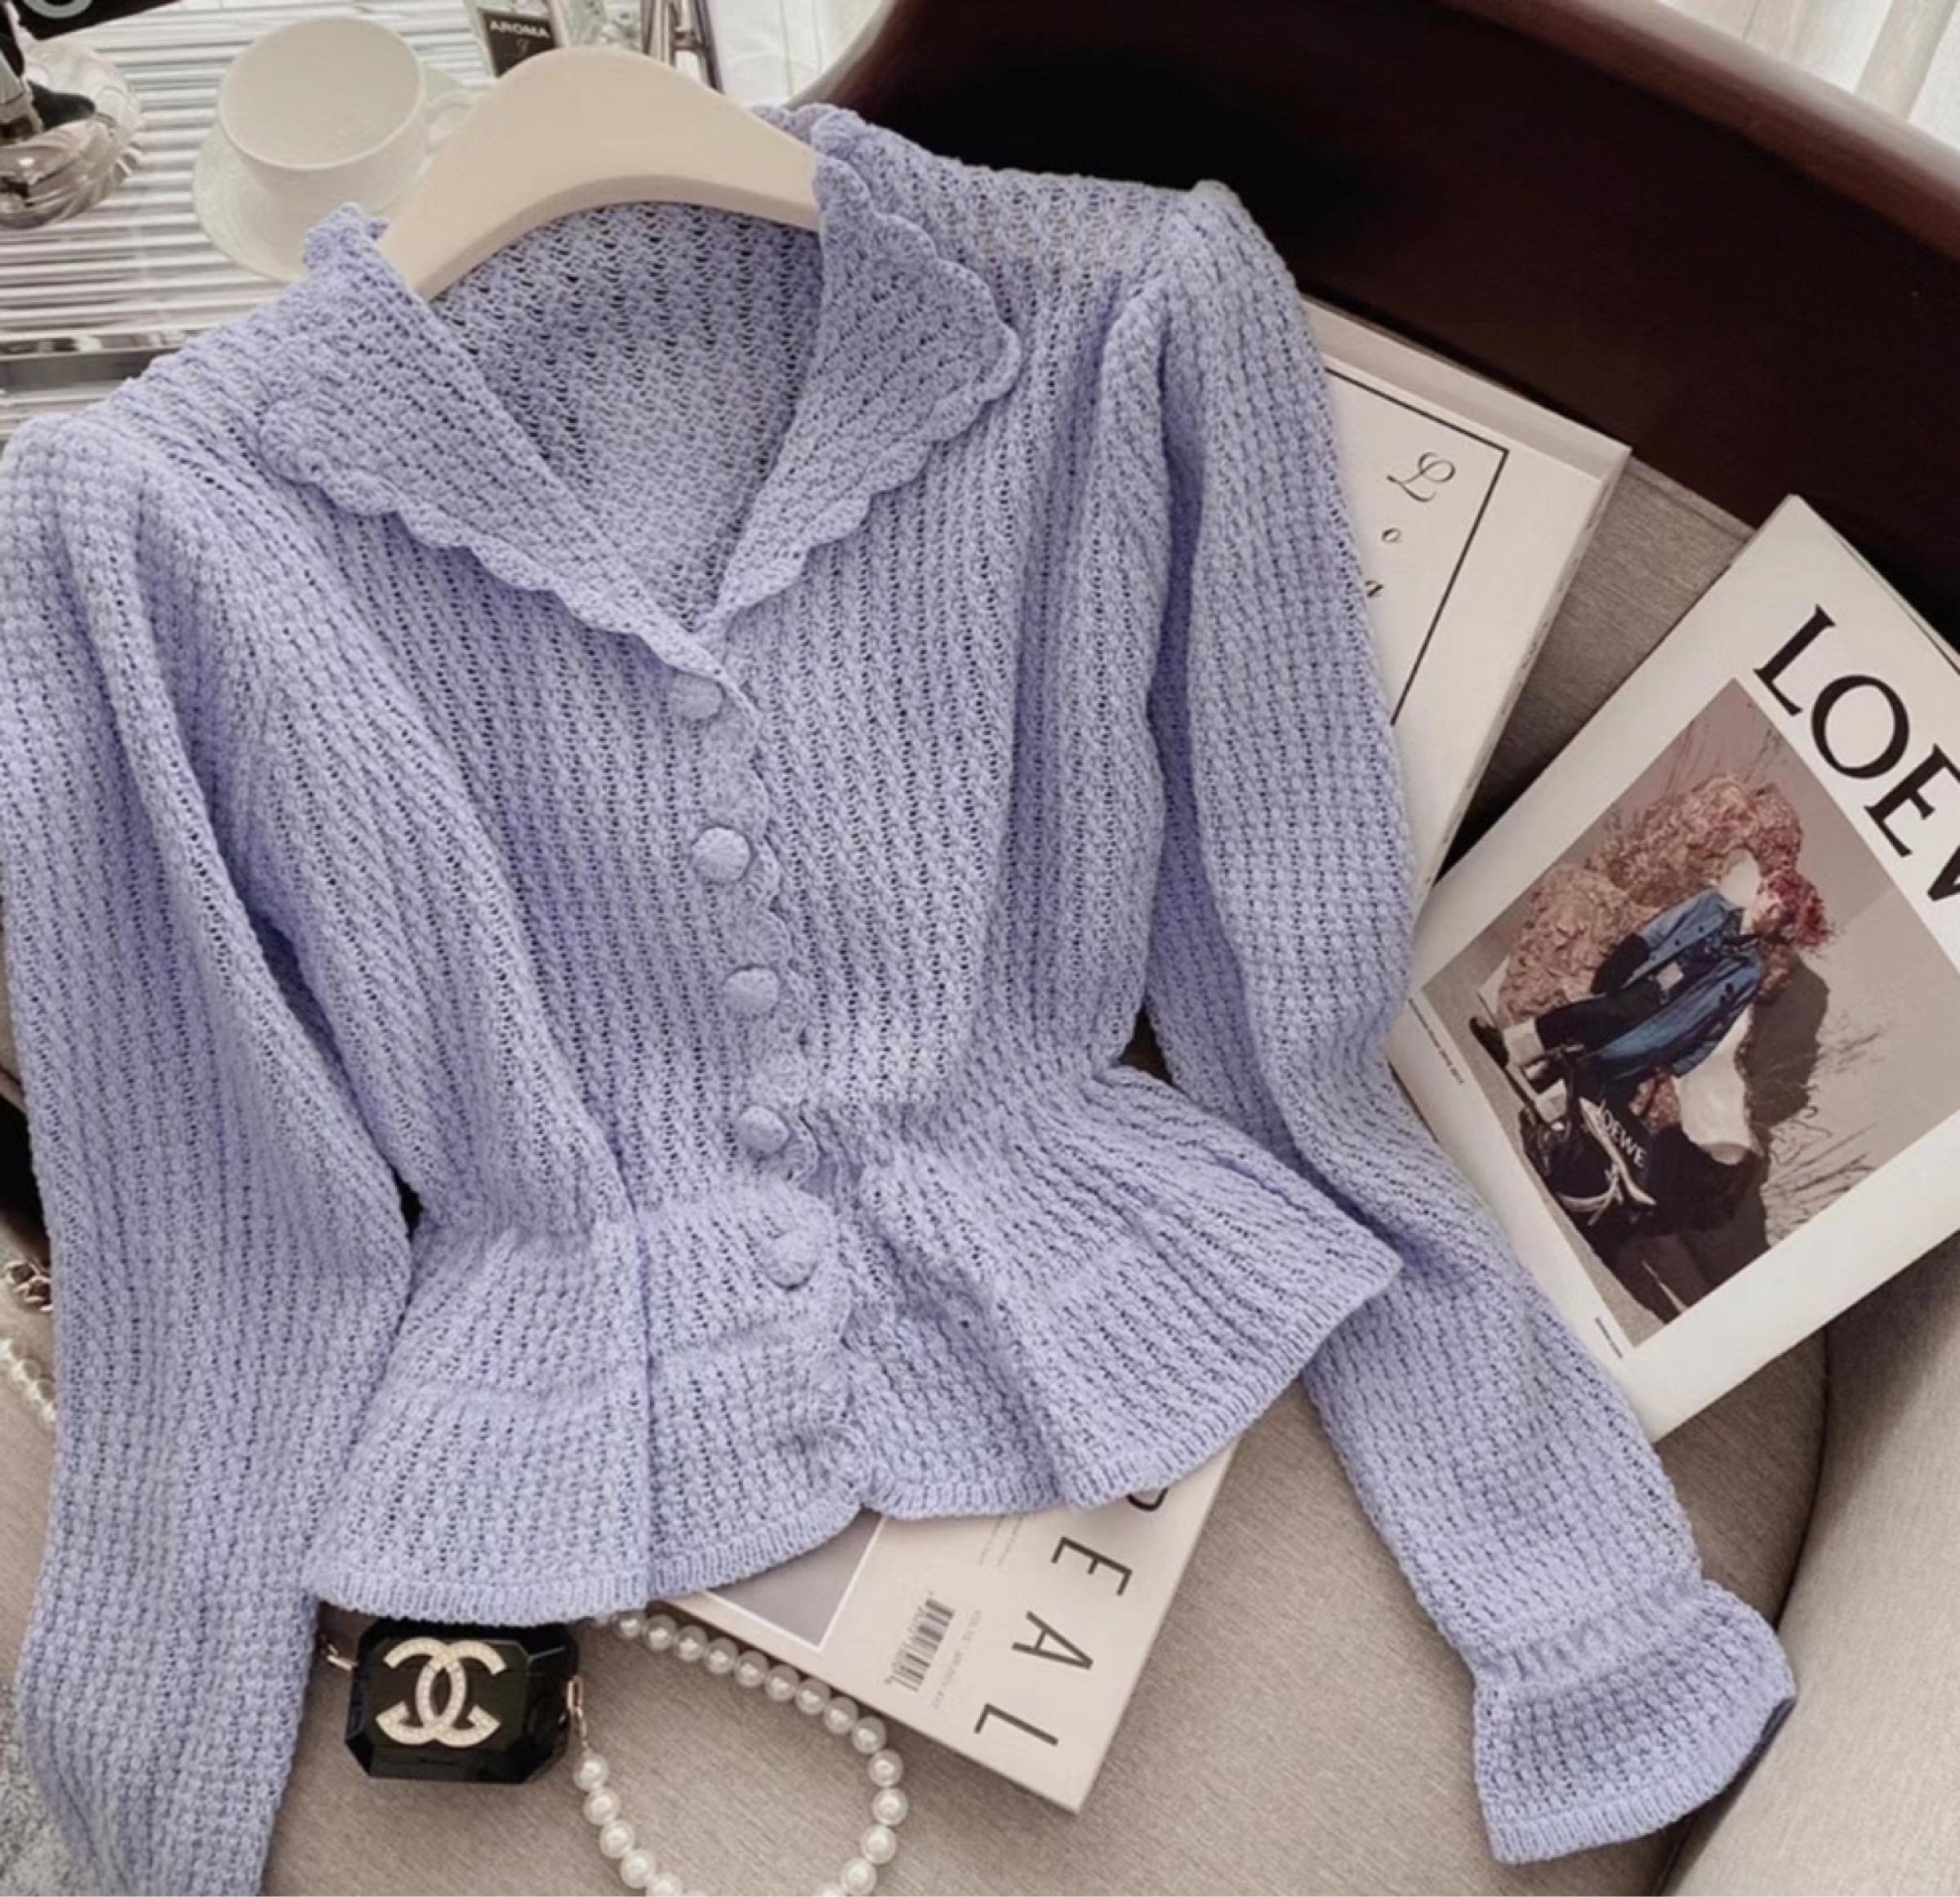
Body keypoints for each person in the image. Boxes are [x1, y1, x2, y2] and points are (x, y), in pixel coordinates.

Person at [1472, 855, 1811, 1202]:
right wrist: (1626, 956)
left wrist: (1682, 1063)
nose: (1769, 910)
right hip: (1644, 985)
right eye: (1771, 897)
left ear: (1779, 925)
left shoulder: (1750, 971)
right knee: (1579, 1017)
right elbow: (1662, 928)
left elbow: (1720, 1022)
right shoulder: (1711, 906)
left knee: (1604, 1066)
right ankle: (1509, 1046)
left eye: (1779, 913)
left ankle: (1547, 1117)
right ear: (1762, 890)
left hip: (1668, 1025)